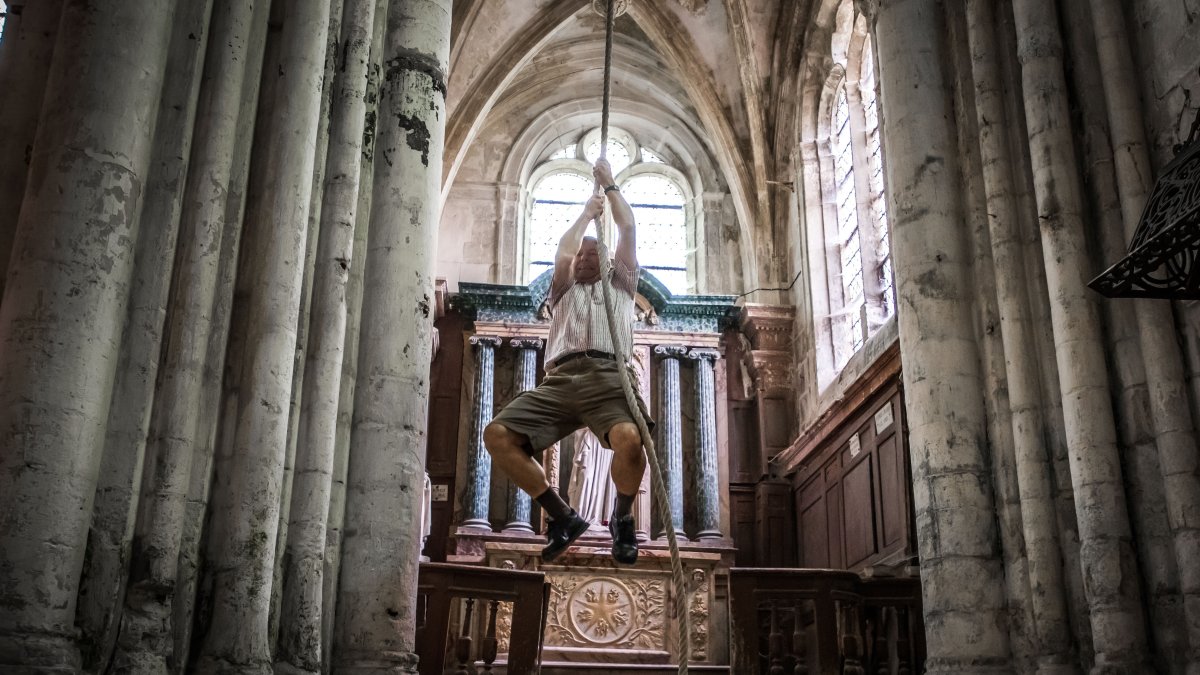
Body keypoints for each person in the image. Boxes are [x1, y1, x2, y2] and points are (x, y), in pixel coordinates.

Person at [483, 158, 651, 565]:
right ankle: (562, 515)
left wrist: (610, 187)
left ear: (608, 261)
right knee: (498, 436)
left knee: (632, 444)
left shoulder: (623, 285)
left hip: (609, 377)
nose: (583, 257)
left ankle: (622, 519)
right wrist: (584, 215)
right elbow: (563, 248)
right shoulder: (562, 288)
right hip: (560, 380)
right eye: (579, 255)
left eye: (592, 252)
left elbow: (628, 227)